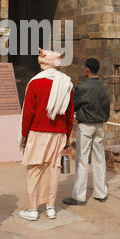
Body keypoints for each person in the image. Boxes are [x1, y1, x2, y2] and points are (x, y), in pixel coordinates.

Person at [19, 48, 74, 221]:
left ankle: (32, 209)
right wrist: (67, 136)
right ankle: (50, 207)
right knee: (53, 169)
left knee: (34, 169)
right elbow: (69, 114)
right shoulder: (66, 83)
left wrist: (24, 135)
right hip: (58, 133)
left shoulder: (35, 82)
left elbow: (28, 112)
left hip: (38, 131)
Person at [63, 58, 110, 206]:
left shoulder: (83, 87)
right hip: (99, 125)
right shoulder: (102, 87)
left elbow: (74, 106)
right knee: (99, 159)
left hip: (86, 126)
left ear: (87, 70)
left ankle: (79, 196)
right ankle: (101, 193)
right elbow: (107, 106)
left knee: (82, 160)